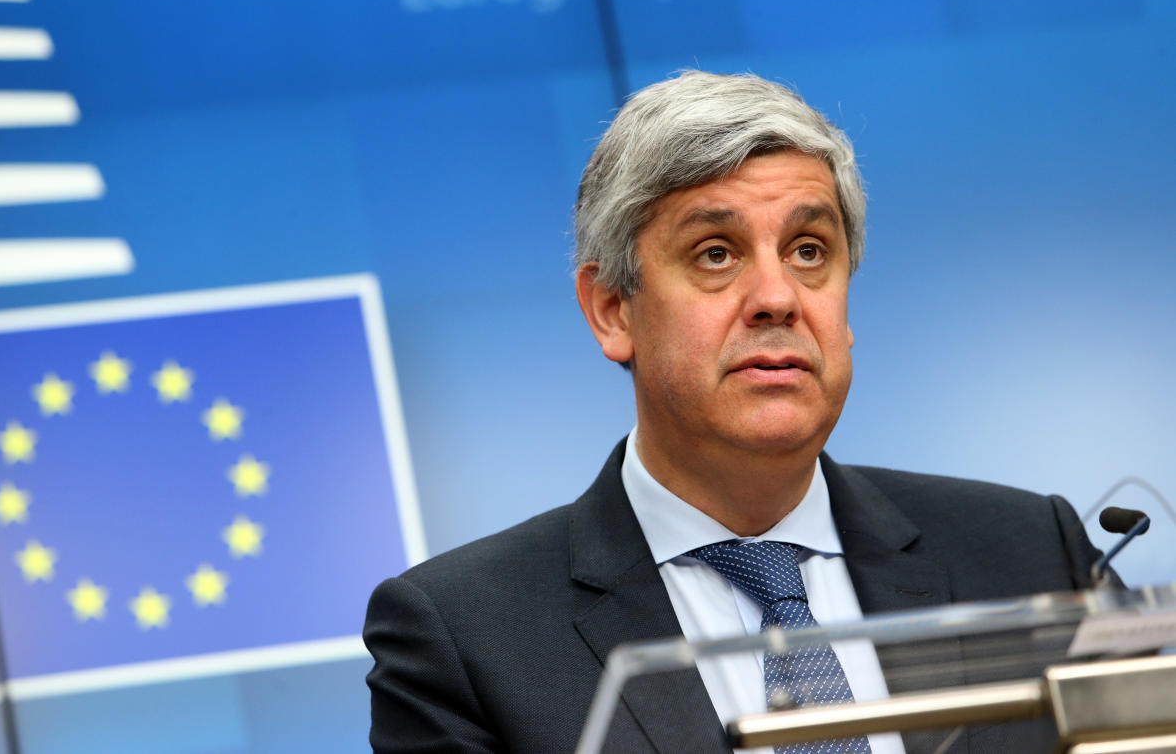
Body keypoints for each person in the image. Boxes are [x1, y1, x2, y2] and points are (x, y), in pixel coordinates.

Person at [363, 71, 1108, 753]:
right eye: (716, 253)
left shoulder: (1028, 553)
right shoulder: (464, 637)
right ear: (612, 309)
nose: (779, 297)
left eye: (810, 250)